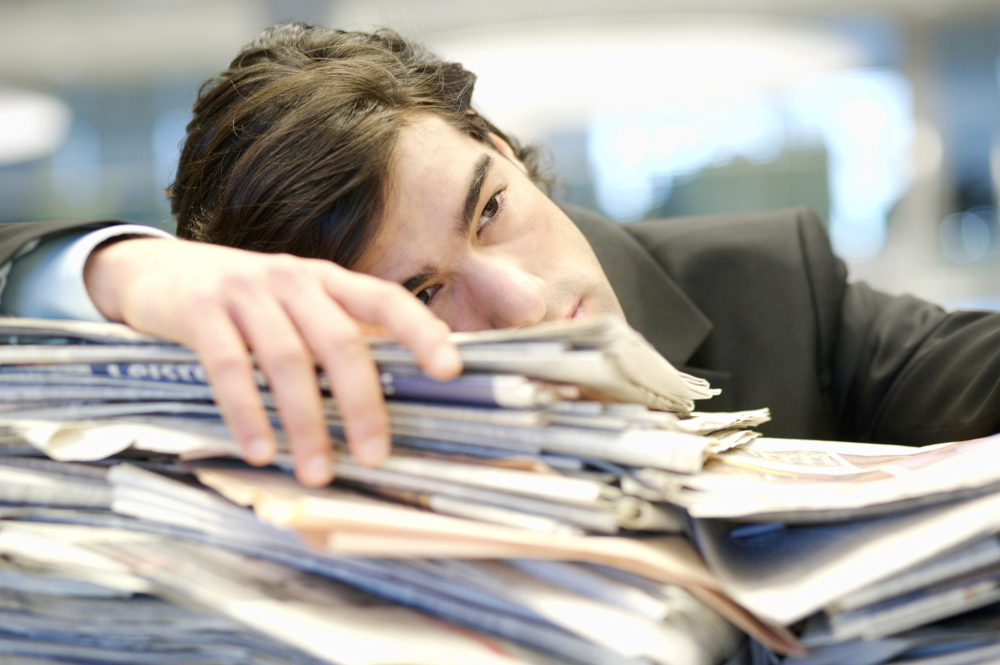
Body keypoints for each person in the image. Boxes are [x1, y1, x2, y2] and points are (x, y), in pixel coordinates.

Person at [1, 22, 997, 488]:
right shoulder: (284, 409)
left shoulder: (773, 284)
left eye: (488, 211)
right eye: (422, 291)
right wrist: (116, 268)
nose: (520, 300)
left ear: (503, 148)